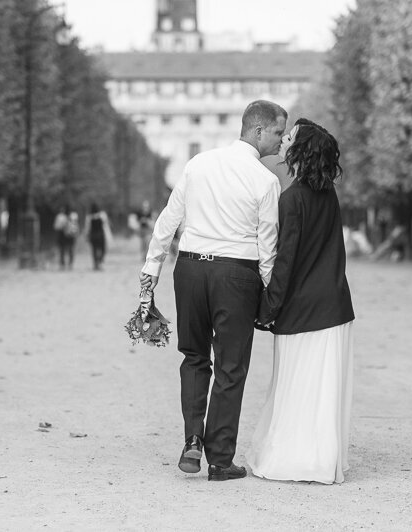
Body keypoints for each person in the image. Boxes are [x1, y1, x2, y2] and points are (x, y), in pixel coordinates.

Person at [139, 100, 286, 481]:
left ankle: (192, 439)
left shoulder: (198, 164)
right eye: (277, 132)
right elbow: (267, 245)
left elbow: (169, 219)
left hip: (188, 268)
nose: (282, 140)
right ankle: (220, 459)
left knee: (193, 356)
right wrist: (270, 293)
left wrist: (151, 268)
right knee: (231, 367)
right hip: (236, 274)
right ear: (257, 131)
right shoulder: (266, 181)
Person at [250, 118, 355, 484]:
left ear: (299, 149)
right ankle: (324, 460)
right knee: (324, 390)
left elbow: (286, 261)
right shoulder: (328, 194)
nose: (284, 140)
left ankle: (295, 459)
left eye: (289, 137)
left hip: (303, 308)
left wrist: (267, 309)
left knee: (296, 387)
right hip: (336, 305)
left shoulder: (291, 198)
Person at [53, 205, 79, 270]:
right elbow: (76, 227)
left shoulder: (60, 217)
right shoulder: (74, 216)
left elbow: (56, 227)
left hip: (62, 236)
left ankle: (63, 264)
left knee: (63, 250)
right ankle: (70, 263)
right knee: (70, 250)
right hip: (70, 236)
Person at [87, 203, 111, 270]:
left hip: (93, 235)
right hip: (101, 235)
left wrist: (86, 235)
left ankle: (95, 264)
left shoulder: (89, 217)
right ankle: (100, 262)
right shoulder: (102, 215)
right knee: (102, 249)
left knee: (94, 250)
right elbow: (106, 225)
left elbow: (88, 227)